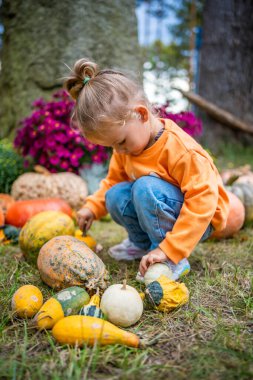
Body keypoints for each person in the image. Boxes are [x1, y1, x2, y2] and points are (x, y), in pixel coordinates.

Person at [64, 58, 230, 282]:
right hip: (163, 205)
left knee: (144, 187)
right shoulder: (127, 150)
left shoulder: (181, 150)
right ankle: (142, 245)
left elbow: (203, 202)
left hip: (201, 217)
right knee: (115, 194)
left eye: (121, 141)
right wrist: (92, 208)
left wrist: (170, 248)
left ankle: (170, 258)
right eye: (112, 146)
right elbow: (112, 182)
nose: (118, 150)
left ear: (141, 114)